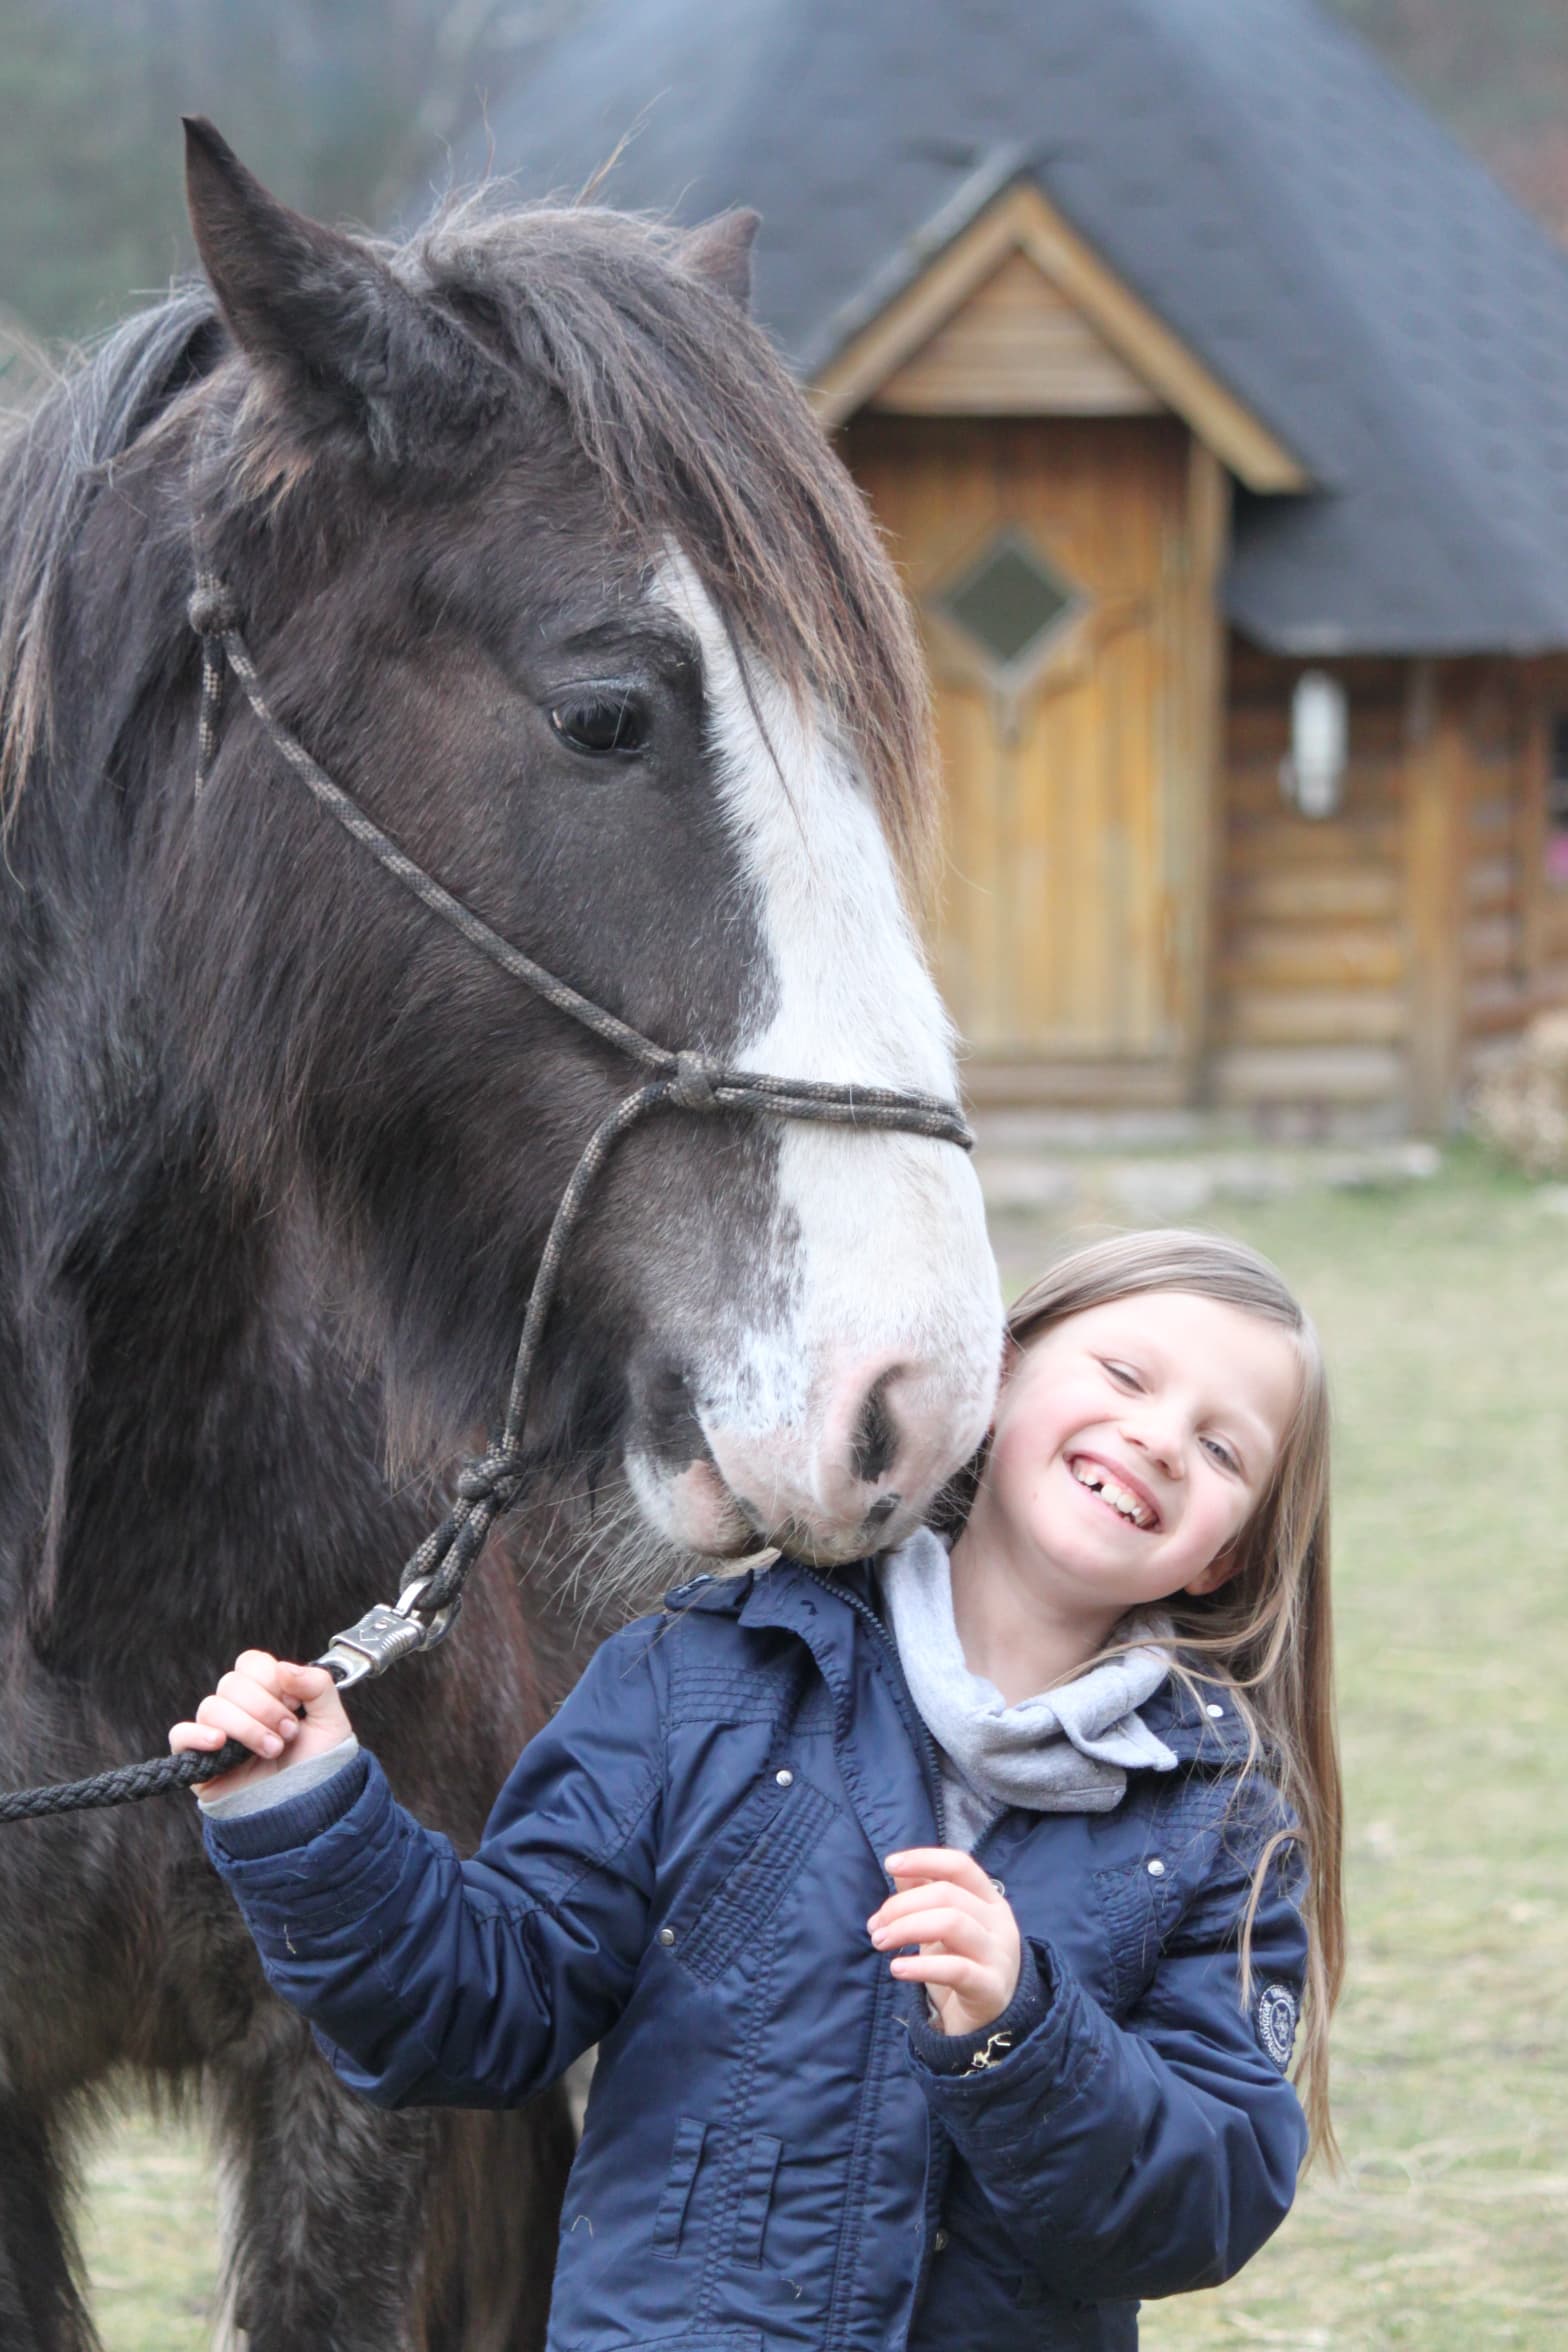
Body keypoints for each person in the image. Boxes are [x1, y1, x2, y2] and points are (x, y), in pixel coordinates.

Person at [172, 1228, 1343, 2351]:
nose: (1158, 1440)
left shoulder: (1217, 1821)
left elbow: (1202, 2204)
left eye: (1222, 1449)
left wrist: (1020, 2037)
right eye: (1124, 1376)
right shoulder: (696, 1676)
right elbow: (477, 2011)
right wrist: (310, 1821)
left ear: (1225, 1554)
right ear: (991, 1375)